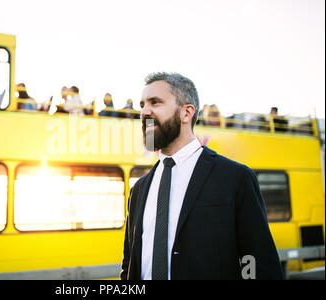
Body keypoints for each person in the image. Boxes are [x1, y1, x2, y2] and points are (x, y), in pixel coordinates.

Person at [120, 72, 283, 280]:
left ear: (186, 113)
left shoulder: (235, 178)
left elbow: (256, 261)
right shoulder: (139, 189)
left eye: (155, 102)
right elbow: (129, 264)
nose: (144, 112)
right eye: (142, 105)